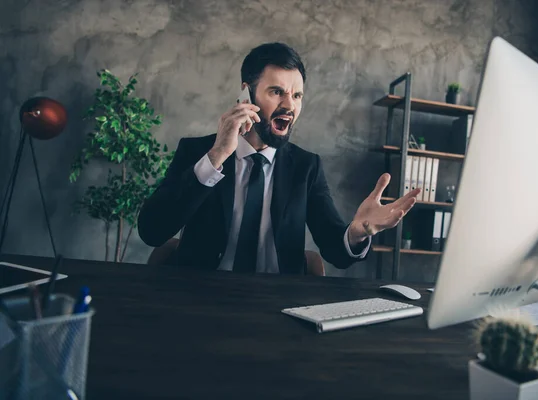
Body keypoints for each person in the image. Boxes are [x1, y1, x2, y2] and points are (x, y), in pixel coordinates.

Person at [137, 42, 420, 275]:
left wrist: (359, 232)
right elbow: (152, 231)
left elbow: (336, 249)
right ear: (246, 93)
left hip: (278, 303)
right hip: (201, 299)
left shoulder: (307, 167)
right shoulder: (196, 153)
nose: (289, 105)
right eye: (277, 92)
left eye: (297, 95)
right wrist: (216, 156)